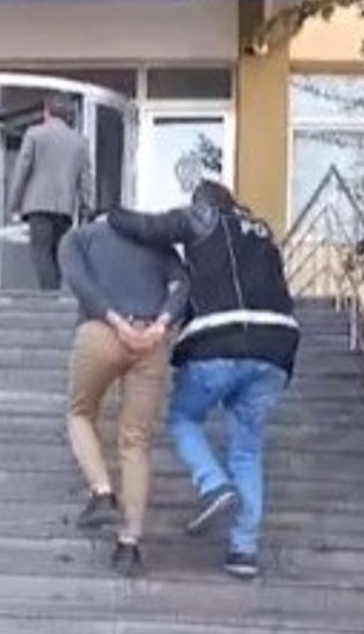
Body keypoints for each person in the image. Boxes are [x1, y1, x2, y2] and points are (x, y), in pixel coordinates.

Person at [108, 181, 300, 581]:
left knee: (183, 418)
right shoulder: (263, 232)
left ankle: (214, 485)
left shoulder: (205, 218)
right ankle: (244, 550)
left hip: (220, 341)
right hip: (276, 349)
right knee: (247, 451)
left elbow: (148, 227)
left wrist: (109, 214)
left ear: (203, 204)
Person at [58, 215, 190, 577]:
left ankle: (102, 491)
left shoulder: (78, 238)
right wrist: (161, 325)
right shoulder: (156, 241)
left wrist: (116, 321)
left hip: (100, 333)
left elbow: (80, 283)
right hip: (151, 343)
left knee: (80, 413)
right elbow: (182, 284)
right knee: (136, 441)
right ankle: (129, 544)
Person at [8, 94, 95, 290]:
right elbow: (86, 179)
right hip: (65, 207)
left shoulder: (34, 134)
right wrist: (86, 206)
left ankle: (50, 296)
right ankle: (55, 292)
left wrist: (14, 203)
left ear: (46, 112)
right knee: (56, 254)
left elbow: (22, 169)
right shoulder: (80, 142)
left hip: (38, 205)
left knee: (41, 252)